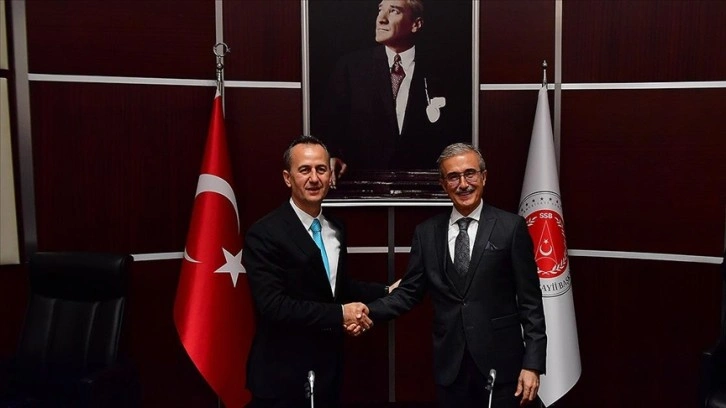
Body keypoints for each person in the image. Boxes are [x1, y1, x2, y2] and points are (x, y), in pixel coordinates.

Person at [360, 143, 547, 407]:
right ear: (443, 184)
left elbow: (531, 302)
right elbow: (409, 292)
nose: (463, 184)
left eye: (470, 173)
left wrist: (533, 364)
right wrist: (366, 311)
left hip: (503, 367)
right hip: (451, 368)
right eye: (453, 177)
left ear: (484, 176)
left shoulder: (511, 227)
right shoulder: (426, 233)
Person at [242, 135, 395, 408]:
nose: (314, 178)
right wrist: (341, 314)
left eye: (321, 169)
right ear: (288, 178)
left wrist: (386, 291)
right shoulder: (264, 233)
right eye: (305, 170)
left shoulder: (336, 228)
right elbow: (274, 306)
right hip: (281, 378)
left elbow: (335, 288)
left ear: (330, 175)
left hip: (328, 372)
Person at [319, 0, 466, 182]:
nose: (381, 19)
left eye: (394, 11)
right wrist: (332, 154)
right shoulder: (351, 68)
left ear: (416, 24)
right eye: (380, 10)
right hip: (362, 185)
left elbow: (455, 134)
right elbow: (329, 126)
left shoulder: (443, 71)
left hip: (424, 185)